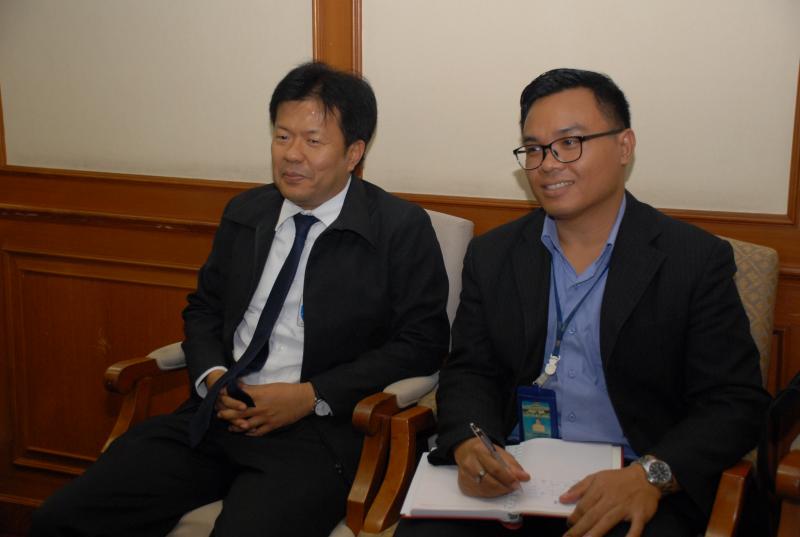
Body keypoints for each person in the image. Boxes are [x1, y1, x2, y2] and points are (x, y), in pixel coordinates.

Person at [31, 62, 450, 537]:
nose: (292, 155)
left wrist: (310, 396)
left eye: (313, 141)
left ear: (353, 152)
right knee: (61, 519)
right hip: (216, 416)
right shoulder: (247, 212)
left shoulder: (398, 228)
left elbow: (422, 343)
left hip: (316, 436)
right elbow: (204, 309)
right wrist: (213, 378)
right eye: (282, 136)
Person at [396, 68, 770, 537]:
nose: (548, 164)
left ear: (624, 146)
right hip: (516, 476)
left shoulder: (693, 260)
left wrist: (651, 476)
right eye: (534, 148)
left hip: (634, 478)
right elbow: (470, 370)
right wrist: (473, 443)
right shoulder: (493, 255)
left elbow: (735, 403)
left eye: (569, 143)